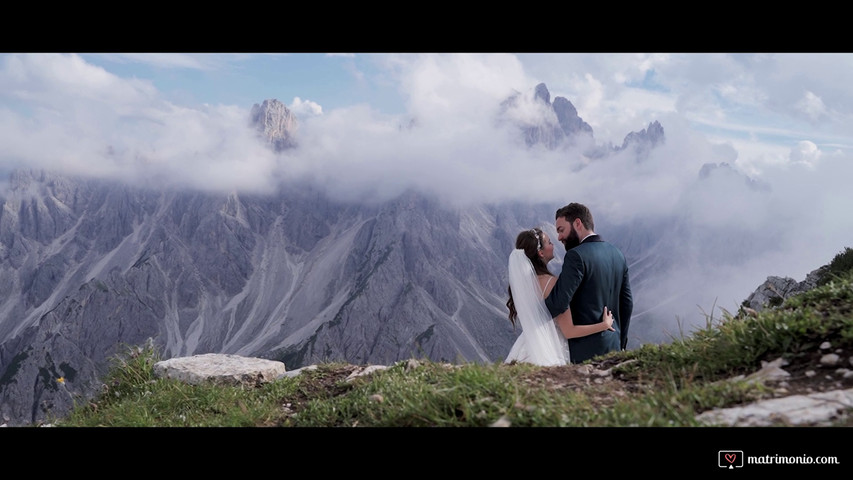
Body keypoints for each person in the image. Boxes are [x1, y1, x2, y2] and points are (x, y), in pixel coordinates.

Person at [505, 227, 614, 366]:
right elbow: (569, 331)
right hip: (551, 347)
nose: (553, 245)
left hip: (528, 344)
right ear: (541, 253)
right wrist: (604, 325)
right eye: (549, 242)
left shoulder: (524, 284)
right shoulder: (552, 284)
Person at [544, 203, 633, 364]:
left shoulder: (576, 256)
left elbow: (559, 302)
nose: (559, 238)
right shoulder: (617, 254)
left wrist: (535, 302)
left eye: (561, 230)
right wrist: (621, 341)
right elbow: (627, 304)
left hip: (585, 352)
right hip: (614, 345)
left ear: (578, 223)